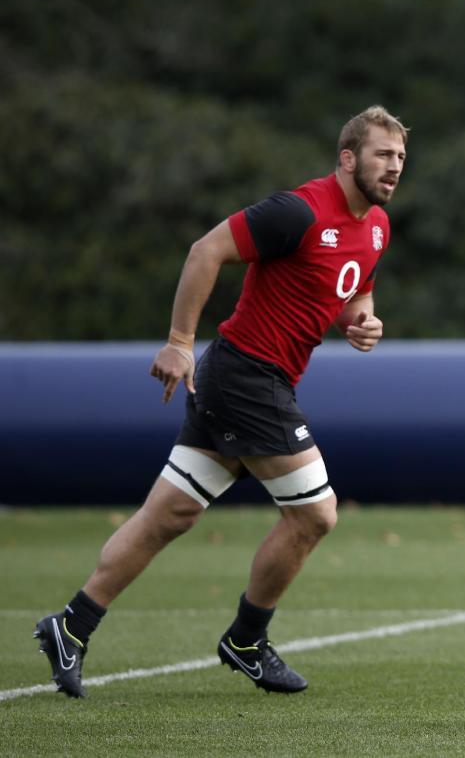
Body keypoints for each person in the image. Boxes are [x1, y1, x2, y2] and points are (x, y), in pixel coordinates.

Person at [34, 105, 408, 698]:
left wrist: (361, 322)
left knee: (170, 516)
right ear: (347, 158)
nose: (394, 168)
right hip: (247, 377)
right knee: (316, 513)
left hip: (252, 380)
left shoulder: (378, 226)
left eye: (400, 159)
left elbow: (354, 287)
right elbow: (204, 251)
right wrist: (180, 342)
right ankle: (246, 640)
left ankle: (71, 625)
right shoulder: (298, 210)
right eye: (382, 155)